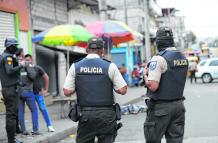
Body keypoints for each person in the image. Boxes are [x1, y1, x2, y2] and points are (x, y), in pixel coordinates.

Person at [63, 37, 127, 143]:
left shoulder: (75, 66)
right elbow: (123, 90)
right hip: (106, 115)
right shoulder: (110, 66)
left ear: (86, 50)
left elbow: (67, 92)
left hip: (85, 115)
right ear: (102, 50)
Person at [143, 27, 188, 143]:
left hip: (161, 109)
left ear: (158, 42)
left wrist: (145, 75)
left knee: (152, 140)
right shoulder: (183, 57)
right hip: (179, 107)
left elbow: (153, 86)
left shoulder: (159, 59)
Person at [0, 38, 23, 143]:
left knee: (11, 115)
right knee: (11, 115)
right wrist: (21, 65)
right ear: (10, 46)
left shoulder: (3, 56)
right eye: (15, 45)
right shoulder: (7, 57)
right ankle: (11, 140)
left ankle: (12, 138)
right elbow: (9, 71)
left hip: (8, 88)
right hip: (10, 89)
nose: (16, 47)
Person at [25, 54, 55, 132]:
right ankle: (35, 129)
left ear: (31, 60)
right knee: (34, 111)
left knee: (43, 108)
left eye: (28, 60)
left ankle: (49, 125)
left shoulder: (38, 68)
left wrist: (46, 89)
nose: (27, 61)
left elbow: (46, 77)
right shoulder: (25, 69)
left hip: (38, 93)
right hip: (30, 93)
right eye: (26, 60)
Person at [16, 51, 39, 136]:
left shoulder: (16, 66)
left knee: (21, 111)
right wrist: (28, 67)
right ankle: (35, 130)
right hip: (28, 92)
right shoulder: (27, 65)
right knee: (34, 111)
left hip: (19, 92)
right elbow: (33, 76)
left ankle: (23, 130)